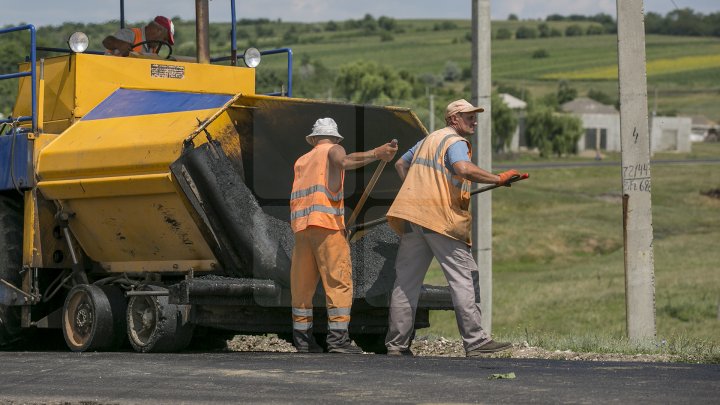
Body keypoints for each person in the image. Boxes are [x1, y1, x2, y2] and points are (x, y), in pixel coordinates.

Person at [384, 99, 520, 357]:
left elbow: (400, 164)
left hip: (413, 217)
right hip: (440, 219)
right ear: (454, 119)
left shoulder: (427, 140)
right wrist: (497, 178)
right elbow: (462, 168)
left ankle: (397, 345)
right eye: (469, 116)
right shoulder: (453, 142)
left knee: (405, 284)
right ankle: (476, 341)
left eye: (474, 116)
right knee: (464, 277)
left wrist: (415, 193)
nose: (474, 121)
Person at [289, 117, 398, 354]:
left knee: (302, 287)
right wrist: (377, 153)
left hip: (301, 230)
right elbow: (346, 161)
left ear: (313, 138)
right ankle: (338, 341)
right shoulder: (333, 149)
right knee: (339, 283)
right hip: (327, 228)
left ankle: (303, 341)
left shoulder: (302, 160)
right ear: (336, 138)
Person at [102, 16, 175, 57]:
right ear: (158, 31)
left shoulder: (153, 50)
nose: (164, 43)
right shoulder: (130, 34)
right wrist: (119, 44)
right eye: (165, 39)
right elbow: (107, 41)